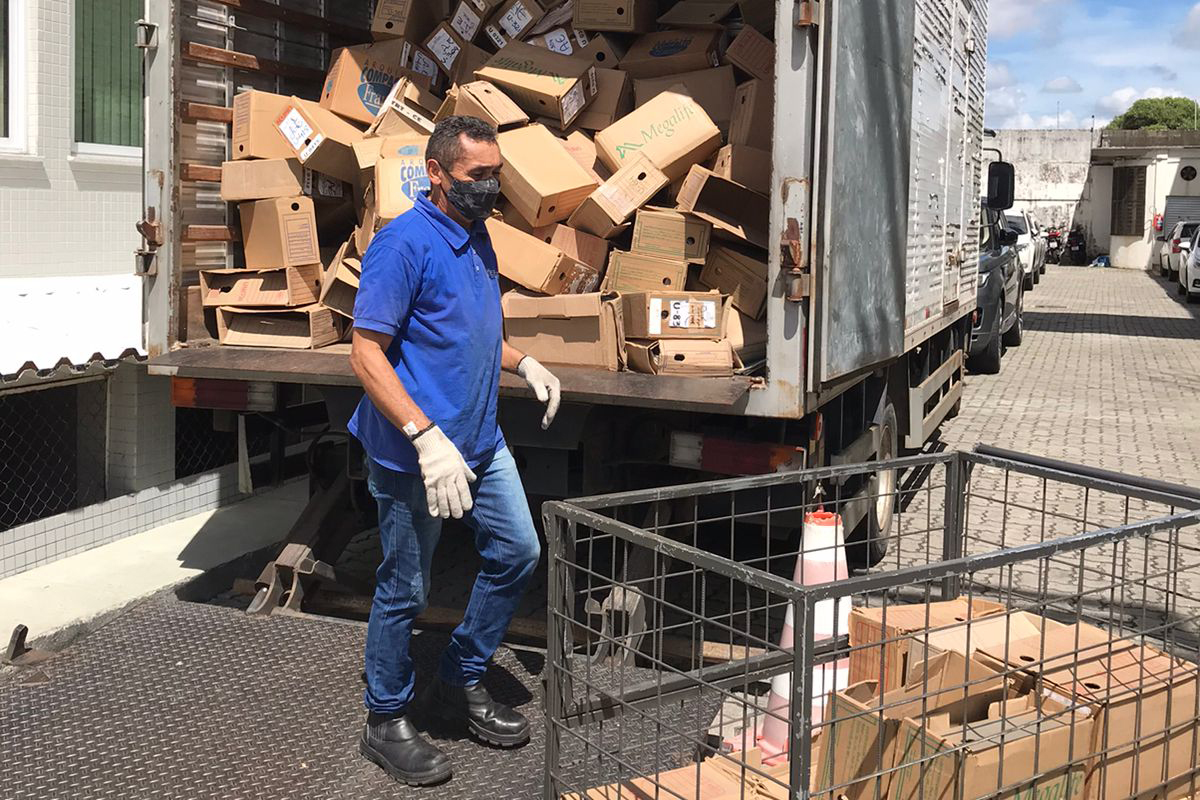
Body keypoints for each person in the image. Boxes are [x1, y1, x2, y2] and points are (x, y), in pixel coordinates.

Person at [348, 115, 561, 787]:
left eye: (495, 175)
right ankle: (385, 718)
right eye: (476, 177)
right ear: (436, 173)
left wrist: (525, 364)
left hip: (479, 440)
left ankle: (458, 675)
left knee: (520, 551)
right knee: (406, 587)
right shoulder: (402, 243)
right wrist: (424, 437)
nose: (489, 188)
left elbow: (470, 333)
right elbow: (366, 352)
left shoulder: (479, 239)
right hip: (415, 452)